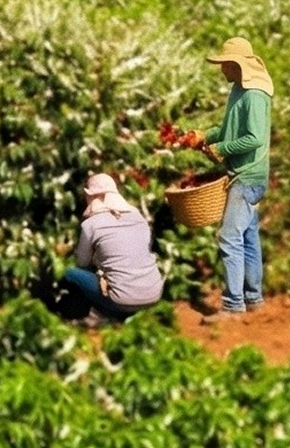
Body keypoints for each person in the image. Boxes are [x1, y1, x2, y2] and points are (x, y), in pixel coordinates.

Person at [188, 35, 274, 316]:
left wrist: (222, 149)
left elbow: (253, 138)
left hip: (248, 176)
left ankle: (234, 305)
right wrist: (203, 136)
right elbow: (229, 129)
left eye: (225, 64)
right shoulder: (239, 89)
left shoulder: (254, 95)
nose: (222, 69)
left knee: (229, 237)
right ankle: (253, 299)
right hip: (244, 174)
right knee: (248, 237)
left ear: (238, 65)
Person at [60, 172, 165, 326]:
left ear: (92, 196)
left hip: (123, 299)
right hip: (154, 293)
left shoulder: (91, 224)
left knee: (66, 271)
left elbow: (82, 262)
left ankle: (97, 312)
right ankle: (122, 313)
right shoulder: (137, 215)